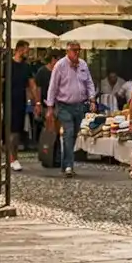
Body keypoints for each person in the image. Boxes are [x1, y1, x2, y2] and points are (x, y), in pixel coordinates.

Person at [43, 41, 94, 176]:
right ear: (68, 51)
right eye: (74, 50)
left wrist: (92, 99)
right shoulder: (60, 66)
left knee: (74, 134)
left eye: (78, 50)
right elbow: (53, 86)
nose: (77, 53)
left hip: (79, 105)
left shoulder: (83, 64)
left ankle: (64, 163)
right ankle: (69, 167)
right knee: (69, 132)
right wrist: (50, 107)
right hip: (64, 105)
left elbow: (89, 82)